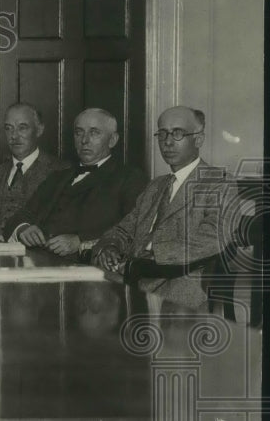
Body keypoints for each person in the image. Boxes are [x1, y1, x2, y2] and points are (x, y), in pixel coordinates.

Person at [93, 107, 240, 309]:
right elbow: (124, 229)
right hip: (130, 281)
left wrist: (152, 254)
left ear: (198, 139)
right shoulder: (156, 185)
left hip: (177, 291)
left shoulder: (219, 182)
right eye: (162, 134)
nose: (167, 142)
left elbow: (214, 237)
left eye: (178, 133)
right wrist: (110, 246)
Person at [2, 108, 148, 257]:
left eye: (94, 133)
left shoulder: (130, 178)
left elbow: (133, 229)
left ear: (112, 140)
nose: (84, 140)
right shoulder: (58, 177)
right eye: (79, 132)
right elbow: (21, 215)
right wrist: (23, 228)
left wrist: (80, 241)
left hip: (85, 264)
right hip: (36, 260)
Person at [0, 102, 69, 239]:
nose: (14, 136)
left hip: (34, 250)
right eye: (8, 128)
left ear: (39, 130)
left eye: (22, 128)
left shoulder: (60, 171)